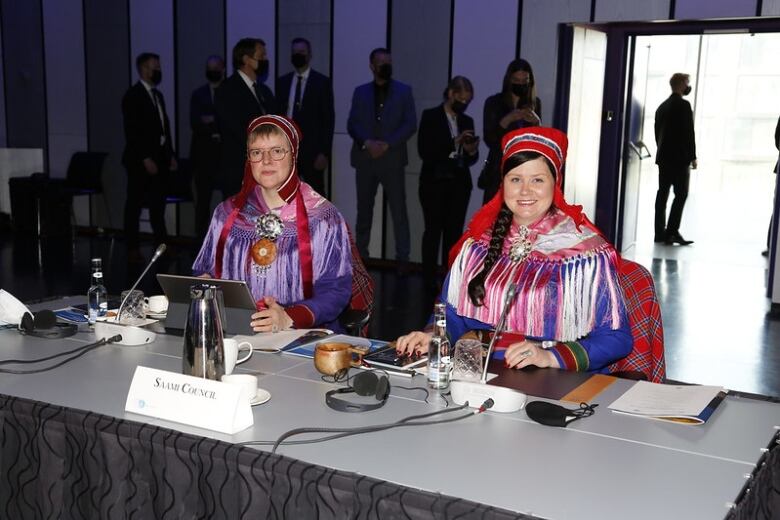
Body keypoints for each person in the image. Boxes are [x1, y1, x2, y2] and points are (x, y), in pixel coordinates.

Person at [397, 127, 633, 374]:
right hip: (485, 373)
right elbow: (451, 315)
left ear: (556, 183)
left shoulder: (585, 255)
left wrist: (551, 357)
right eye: (515, 179)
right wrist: (433, 336)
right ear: (503, 183)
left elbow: (616, 338)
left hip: (556, 380)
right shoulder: (477, 246)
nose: (525, 191)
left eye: (537, 180)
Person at [193, 115, 356, 333]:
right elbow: (204, 272)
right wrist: (204, 282)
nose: (266, 161)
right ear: (248, 159)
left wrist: (289, 317)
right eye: (257, 153)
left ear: (293, 155)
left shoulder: (323, 217)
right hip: (235, 333)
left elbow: (336, 291)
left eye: (277, 151)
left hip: (302, 336)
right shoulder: (226, 213)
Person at [347, 47, 416, 267]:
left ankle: (402, 259)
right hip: (365, 159)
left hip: (392, 159)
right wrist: (367, 142)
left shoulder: (404, 91)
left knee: (399, 212)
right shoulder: (360, 92)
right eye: (381, 62)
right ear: (372, 66)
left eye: (389, 61)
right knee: (364, 211)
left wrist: (388, 144)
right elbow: (352, 123)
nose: (386, 65)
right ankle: (362, 258)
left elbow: (410, 123)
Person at [417, 76, 479, 294]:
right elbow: (425, 151)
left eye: (467, 101)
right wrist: (454, 142)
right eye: (462, 99)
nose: (464, 104)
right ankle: (428, 278)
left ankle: (449, 278)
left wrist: (471, 150)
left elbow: (471, 158)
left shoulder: (467, 120)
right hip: (434, 182)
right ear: (451, 94)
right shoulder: (430, 116)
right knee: (433, 231)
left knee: (454, 234)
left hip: (459, 184)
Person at [121, 52, 177, 263]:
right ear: (144, 69)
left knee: (157, 206)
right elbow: (132, 131)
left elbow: (164, 127)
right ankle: (132, 247)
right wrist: (145, 158)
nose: (158, 70)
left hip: (160, 159)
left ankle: (161, 245)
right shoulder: (133, 96)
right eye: (155, 67)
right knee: (134, 204)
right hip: (139, 161)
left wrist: (169, 154)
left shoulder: (158, 95)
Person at [215, 38, 278, 198]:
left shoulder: (264, 91)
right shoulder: (227, 90)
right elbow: (236, 128)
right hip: (239, 171)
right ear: (246, 59)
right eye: (261, 55)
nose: (265, 60)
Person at [276, 37, 335, 198]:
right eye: (294, 52)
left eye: (301, 52)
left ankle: (321, 224)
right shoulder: (282, 82)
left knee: (315, 196)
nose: (297, 55)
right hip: (287, 151)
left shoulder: (322, 82)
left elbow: (328, 120)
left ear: (309, 55)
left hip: (313, 152)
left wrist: (324, 152)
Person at [480, 59, 541, 204]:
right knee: (494, 217)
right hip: (499, 168)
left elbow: (538, 141)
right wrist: (507, 120)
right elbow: (490, 139)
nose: (520, 84)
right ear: (509, 80)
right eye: (516, 80)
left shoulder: (535, 103)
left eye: (524, 80)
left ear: (530, 81)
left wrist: (537, 123)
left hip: (525, 167)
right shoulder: (494, 102)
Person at [654, 72, 697, 246]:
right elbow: (689, 133)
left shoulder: (662, 107)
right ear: (681, 84)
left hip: (663, 159)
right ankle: (672, 232)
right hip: (680, 160)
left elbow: (657, 134)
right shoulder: (684, 105)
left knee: (662, 194)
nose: (688, 85)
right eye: (687, 82)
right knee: (681, 195)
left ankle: (659, 233)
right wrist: (693, 157)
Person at [190, 55, 225, 241]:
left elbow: (229, 121)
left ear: (223, 69)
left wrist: (213, 119)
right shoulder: (198, 94)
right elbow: (195, 122)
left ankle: (228, 239)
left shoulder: (230, 92)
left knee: (229, 201)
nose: (212, 71)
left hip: (225, 156)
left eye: (216, 67)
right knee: (202, 201)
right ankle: (201, 240)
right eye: (209, 67)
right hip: (203, 156)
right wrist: (213, 121)